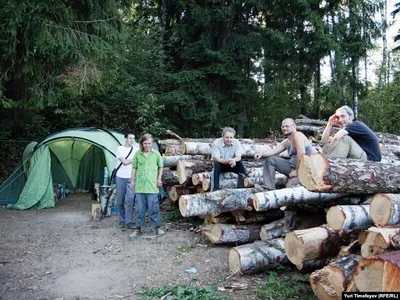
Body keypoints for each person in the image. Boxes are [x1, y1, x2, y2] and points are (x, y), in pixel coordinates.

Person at [254, 118, 316, 190]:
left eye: (287, 126)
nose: (284, 128)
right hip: (293, 167)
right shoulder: (286, 141)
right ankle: (268, 187)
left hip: (306, 170)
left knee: (290, 188)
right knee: (271, 160)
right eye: (282, 127)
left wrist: (297, 171)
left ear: (294, 126)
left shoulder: (298, 136)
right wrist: (261, 154)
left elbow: (301, 154)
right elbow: (274, 151)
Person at [130, 134, 164, 236]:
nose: (147, 145)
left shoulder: (156, 154)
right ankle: (138, 229)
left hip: (152, 187)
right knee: (140, 210)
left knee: (154, 209)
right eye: (145, 143)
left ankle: (157, 228)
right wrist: (132, 180)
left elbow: (160, 167)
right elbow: (134, 168)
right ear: (142, 144)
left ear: (152, 143)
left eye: (149, 143)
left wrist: (159, 179)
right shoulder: (137, 154)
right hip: (140, 187)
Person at [211, 127, 247, 191]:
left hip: (233, 164)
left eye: (231, 137)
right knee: (217, 165)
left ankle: (242, 188)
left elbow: (238, 157)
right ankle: (215, 189)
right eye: (227, 137)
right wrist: (227, 161)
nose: (229, 140)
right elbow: (216, 158)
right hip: (221, 164)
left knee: (240, 164)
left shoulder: (237, 142)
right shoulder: (216, 143)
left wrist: (233, 160)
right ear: (223, 136)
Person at [115, 133, 137, 229]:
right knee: (120, 200)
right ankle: (121, 220)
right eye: (130, 138)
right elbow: (124, 162)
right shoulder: (119, 149)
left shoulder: (136, 150)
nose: (132, 140)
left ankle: (128, 222)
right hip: (120, 176)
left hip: (131, 177)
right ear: (125, 139)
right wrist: (134, 159)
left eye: (133, 138)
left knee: (130, 199)